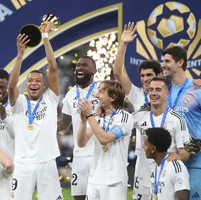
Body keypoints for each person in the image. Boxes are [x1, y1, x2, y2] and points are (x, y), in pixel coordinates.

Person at [8, 21, 62, 200]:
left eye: (38, 80)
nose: (33, 83)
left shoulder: (51, 98)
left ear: (44, 85)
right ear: (26, 85)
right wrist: (20, 55)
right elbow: (11, 86)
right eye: (30, 80)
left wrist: (45, 37)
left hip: (47, 162)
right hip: (22, 163)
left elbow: (53, 68)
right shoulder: (20, 102)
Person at [133, 77, 190, 200]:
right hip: (142, 176)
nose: (153, 93)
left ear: (167, 93)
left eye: (158, 90)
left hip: (164, 178)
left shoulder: (177, 119)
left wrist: (178, 156)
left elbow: (185, 153)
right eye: (151, 90)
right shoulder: (139, 116)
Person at [77, 80, 134, 200]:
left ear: (113, 97)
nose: (96, 95)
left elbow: (105, 138)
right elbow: (81, 143)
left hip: (114, 181)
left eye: (101, 91)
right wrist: (83, 122)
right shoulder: (96, 117)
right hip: (94, 179)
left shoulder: (124, 117)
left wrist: (89, 116)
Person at [161, 46, 201, 199]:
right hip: (169, 162)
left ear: (180, 62)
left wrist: (185, 152)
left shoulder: (198, 90)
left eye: (167, 61)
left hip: (196, 164)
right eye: (162, 61)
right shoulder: (164, 92)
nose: (163, 64)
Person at [58, 55, 98, 200]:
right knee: (79, 196)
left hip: (99, 153)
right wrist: (42, 129)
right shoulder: (70, 94)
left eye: (85, 65)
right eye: (78, 65)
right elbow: (64, 123)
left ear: (94, 70)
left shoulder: (102, 90)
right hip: (80, 154)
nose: (80, 67)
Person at [113, 22, 163, 111]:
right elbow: (118, 73)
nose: (145, 79)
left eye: (149, 75)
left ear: (160, 76)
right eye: (142, 75)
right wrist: (123, 43)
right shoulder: (136, 94)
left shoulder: (169, 94)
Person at [143, 128, 190, 200]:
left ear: (153, 149)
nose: (143, 147)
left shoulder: (176, 166)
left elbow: (183, 197)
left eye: (145, 144)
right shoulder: (153, 167)